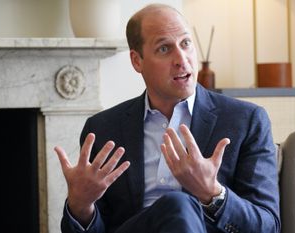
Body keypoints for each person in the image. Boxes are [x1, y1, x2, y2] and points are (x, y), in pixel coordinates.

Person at [54, 3, 280, 233]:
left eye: (186, 43)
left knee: (178, 204)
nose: (181, 59)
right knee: (176, 204)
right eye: (164, 49)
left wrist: (212, 193)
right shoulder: (103, 129)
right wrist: (80, 206)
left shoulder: (246, 121)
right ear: (137, 61)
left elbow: (268, 226)